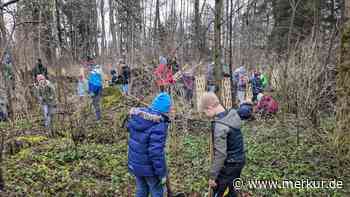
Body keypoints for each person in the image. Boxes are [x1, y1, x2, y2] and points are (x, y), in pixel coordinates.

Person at [199, 92, 245, 197]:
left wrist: (212, 177)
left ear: (210, 107)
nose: (205, 115)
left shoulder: (220, 126)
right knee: (232, 189)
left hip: (229, 166)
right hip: (239, 161)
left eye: (204, 112)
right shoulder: (232, 114)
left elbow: (220, 154)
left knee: (221, 192)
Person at [126, 92, 172, 197]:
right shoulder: (158, 124)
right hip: (150, 169)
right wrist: (161, 174)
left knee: (141, 189)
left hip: (135, 164)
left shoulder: (138, 117)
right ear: (165, 110)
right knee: (156, 191)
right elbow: (155, 152)